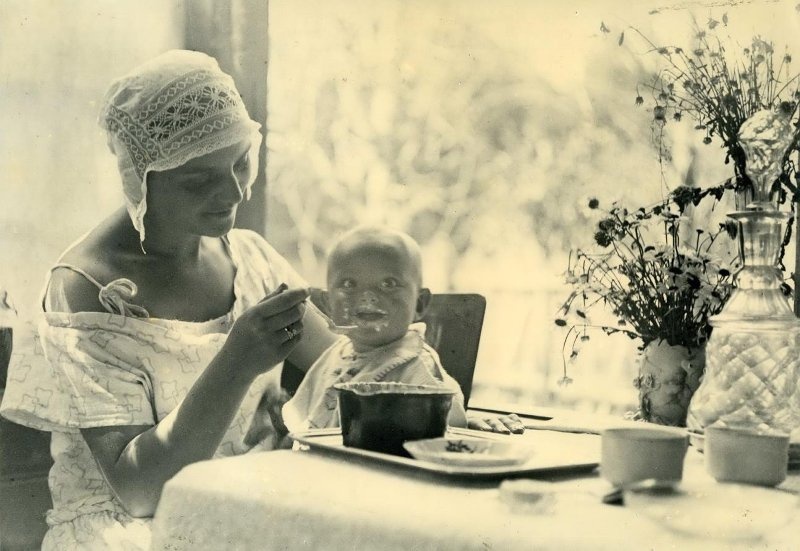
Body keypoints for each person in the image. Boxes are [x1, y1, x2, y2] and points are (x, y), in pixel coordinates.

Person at [0, 50, 521, 550]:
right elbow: (141, 492)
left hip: (252, 504)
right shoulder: (83, 292)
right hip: (136, 530)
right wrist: (236, 361)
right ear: (140, 179)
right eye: (200, 180)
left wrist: (443, 408)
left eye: (240, 164)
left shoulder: (248, 258)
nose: (233, 194)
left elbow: (349, 368)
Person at [281, 226, 468, 436]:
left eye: (389, 283)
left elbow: (448, 435)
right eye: (349, 284)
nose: (368, 295)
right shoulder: (334, 355)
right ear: (328, 304)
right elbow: (302, 426)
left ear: (419, 304)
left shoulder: (417, 367)